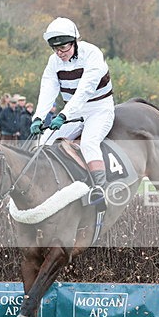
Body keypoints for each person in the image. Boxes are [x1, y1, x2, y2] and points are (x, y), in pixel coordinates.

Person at [30, 17, 115, 202]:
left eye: (64, 48)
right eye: (55, 49)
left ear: (75, 41)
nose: (59, 53)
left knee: (89, 143)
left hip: (99, 109)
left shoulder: (92, 54)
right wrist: (38, 118)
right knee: (43, 142)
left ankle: (101, 190)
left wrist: (63, 115)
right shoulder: (54, 62)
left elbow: (85, 90)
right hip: (73, 112)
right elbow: (48, 89)